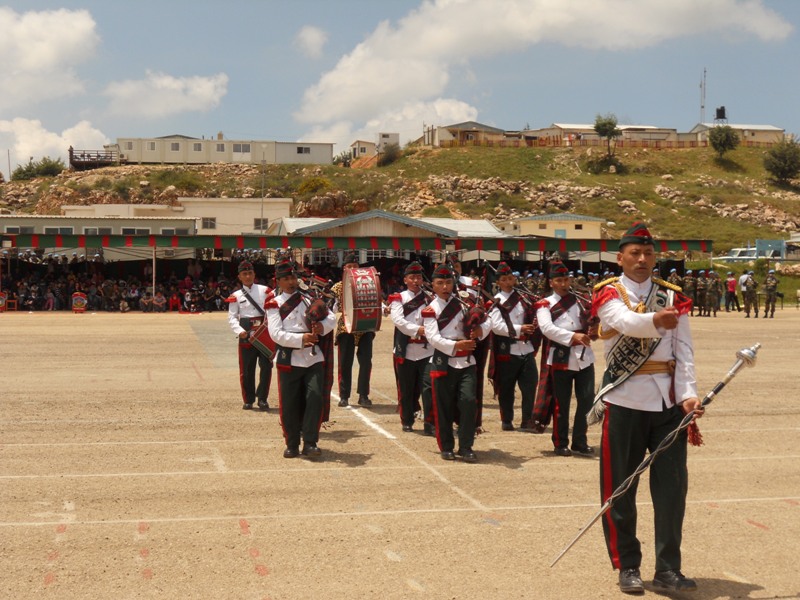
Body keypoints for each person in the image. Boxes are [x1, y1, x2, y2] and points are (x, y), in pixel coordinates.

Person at [591, 222, 703, 594]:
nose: (642, 260)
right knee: (620, 488)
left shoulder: (671, 296)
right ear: (620, 258)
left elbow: (683, 351)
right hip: (624, 400)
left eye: (648, 253)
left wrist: (688, 393)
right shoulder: (609, 293)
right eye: (635, 254)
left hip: (668, 404)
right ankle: (628, 565)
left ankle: (669, 568)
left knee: (672, 491)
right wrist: (655, 320)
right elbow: (622, 322)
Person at [266, 260, 336, 458]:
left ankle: (311, 442)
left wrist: (322, 328)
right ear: (278, 281)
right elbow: (276, 334)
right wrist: (301, 339)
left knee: (314, 398)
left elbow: (330, 317)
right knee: (289, 403)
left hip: (313, 358)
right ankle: (292, 443)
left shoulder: (309, 298)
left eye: (293, 277)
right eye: (286, 279)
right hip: (289, 359)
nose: (291, 282)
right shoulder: (274, 304)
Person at [422, 264, 491, 463]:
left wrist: (480, 331)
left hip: (466, 363)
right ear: (433, 286)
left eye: (448, 282)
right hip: (443, 363)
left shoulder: (464, 303)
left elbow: (487, 321)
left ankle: (466, 445)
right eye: (440, 283)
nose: (445, 287)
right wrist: (457, 345)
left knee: (469, 402)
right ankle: (447, 446)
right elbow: (433, 338)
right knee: (443, 406)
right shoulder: (430, 310)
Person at [534, 260, 596, 456]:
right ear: (551, 282)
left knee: (587, 400)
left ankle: (580, 439)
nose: (563, 284)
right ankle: (560, 442)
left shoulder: (580, 299)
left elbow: (590, 321)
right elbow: (547, 329)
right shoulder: (545, 304)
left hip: (584, 357)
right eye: (559, 280)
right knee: (562, 402)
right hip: (560, 357)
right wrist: (572, 337)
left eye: (566, 279)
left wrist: (593, 330)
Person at [488, 262, 539, 432]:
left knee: (530, 385)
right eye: (504, 279)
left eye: (510, 278)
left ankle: (527, 419)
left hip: (526, 348)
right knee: (507, 387)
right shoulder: (497, 302)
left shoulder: (524, 298)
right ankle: (507, 419)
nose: (508, 282)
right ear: (499, 283)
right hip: (507, 350)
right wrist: (519, 329)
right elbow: (496, 326)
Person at [388, 261, 435, 434]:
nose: (416, 280)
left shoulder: (430, 298)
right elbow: (399, 322)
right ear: (406, 279)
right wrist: (419, 330)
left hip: (427, 350)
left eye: (419, 277)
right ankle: (407, 420)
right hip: (405, 350)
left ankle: (430, 422)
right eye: (412, 277)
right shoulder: (398, 299)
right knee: (406, 388)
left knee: (428, 388)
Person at [227, 260, 274, 411]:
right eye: (244, 274)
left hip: (264, 332)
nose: (247, 276)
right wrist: (239, 331)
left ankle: (262, 399)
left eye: (250, 273)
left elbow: (272, 312)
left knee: (266, 366)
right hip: (245, 333)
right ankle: (248, 399)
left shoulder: (266, 291)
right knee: (247, 368)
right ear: (239, 276)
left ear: (254, 274)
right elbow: (232, 317)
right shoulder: (235, 295)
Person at [331, 253, 374, 407]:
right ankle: (344, 396)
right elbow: (332, 307)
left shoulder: (367, 282)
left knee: (366, 362)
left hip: (365, 326)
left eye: (355, 267)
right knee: (345, 362)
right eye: (349, 267)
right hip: (346, 327)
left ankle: (363, 395)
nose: (352, 269)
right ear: (344, 269)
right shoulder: (337, 287)